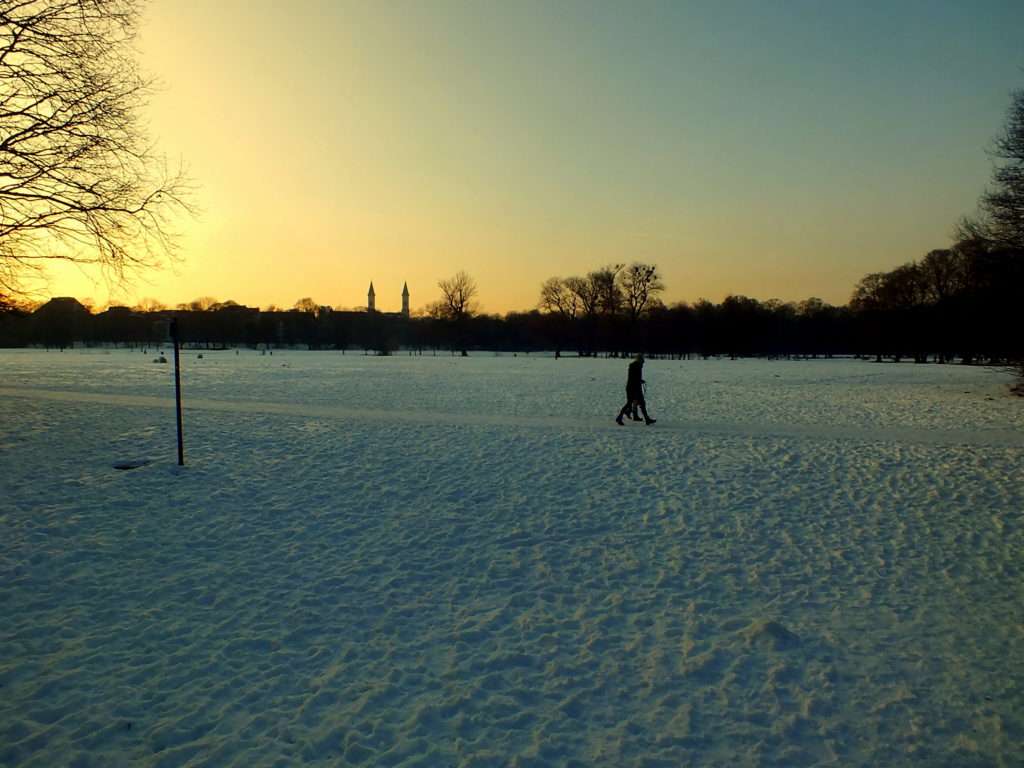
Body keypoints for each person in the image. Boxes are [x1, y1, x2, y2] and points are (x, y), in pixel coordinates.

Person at [616, 353, 656, 425]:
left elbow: (634, 377)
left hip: (632, 387)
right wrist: (639, 381)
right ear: (639, 359)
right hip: (634, 388)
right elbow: (634, 378)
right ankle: (646, 419)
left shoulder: (636, 365)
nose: (643, 360)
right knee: (636, 403)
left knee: (634, 403)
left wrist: (640, 380)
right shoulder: (636, 366)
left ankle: (623, 416)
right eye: (642, 359)